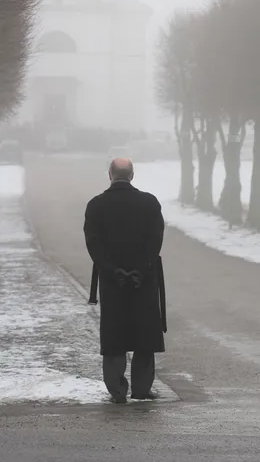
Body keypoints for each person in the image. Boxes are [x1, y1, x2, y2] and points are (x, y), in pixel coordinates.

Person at [84, 158, 166, 403]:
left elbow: (94, 244)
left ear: (110, 174)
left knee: (114, 334)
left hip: (112, 282)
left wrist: (113, 271)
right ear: (132, 175)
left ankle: (117, 390)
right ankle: (142, 389)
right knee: (144, 333)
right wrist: (140, 270)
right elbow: (155, 241)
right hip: (144, 280)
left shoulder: (96, 205)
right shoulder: (149, 203)